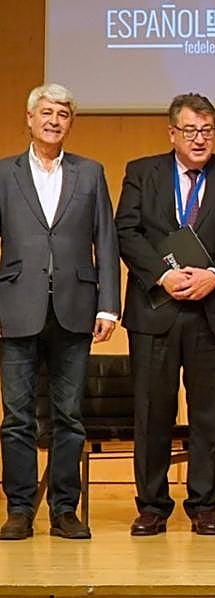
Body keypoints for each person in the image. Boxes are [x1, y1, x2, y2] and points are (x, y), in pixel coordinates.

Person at [115, 93, 215, 536]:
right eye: (190, 131)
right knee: (152, 411)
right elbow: (127, 230)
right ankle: (153, 505)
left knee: (209, 414)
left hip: (211, 311)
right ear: (172, 133)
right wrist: (163, 275)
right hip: (155, 310)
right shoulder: (142, 172)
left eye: (207, 130)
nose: (199, 139)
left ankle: (206, 504)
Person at [0, 84, 120, 541]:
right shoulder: (3, 173)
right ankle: (18, 508)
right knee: (16, 417)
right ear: (29, 119)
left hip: (75, 307)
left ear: (71, 123)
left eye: (63, 114)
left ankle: (65, 509)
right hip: (15, 306)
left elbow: (105, 242)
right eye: (46, 112)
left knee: (69, 415)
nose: (54, 120)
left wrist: (109, 305)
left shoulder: (90, 173)